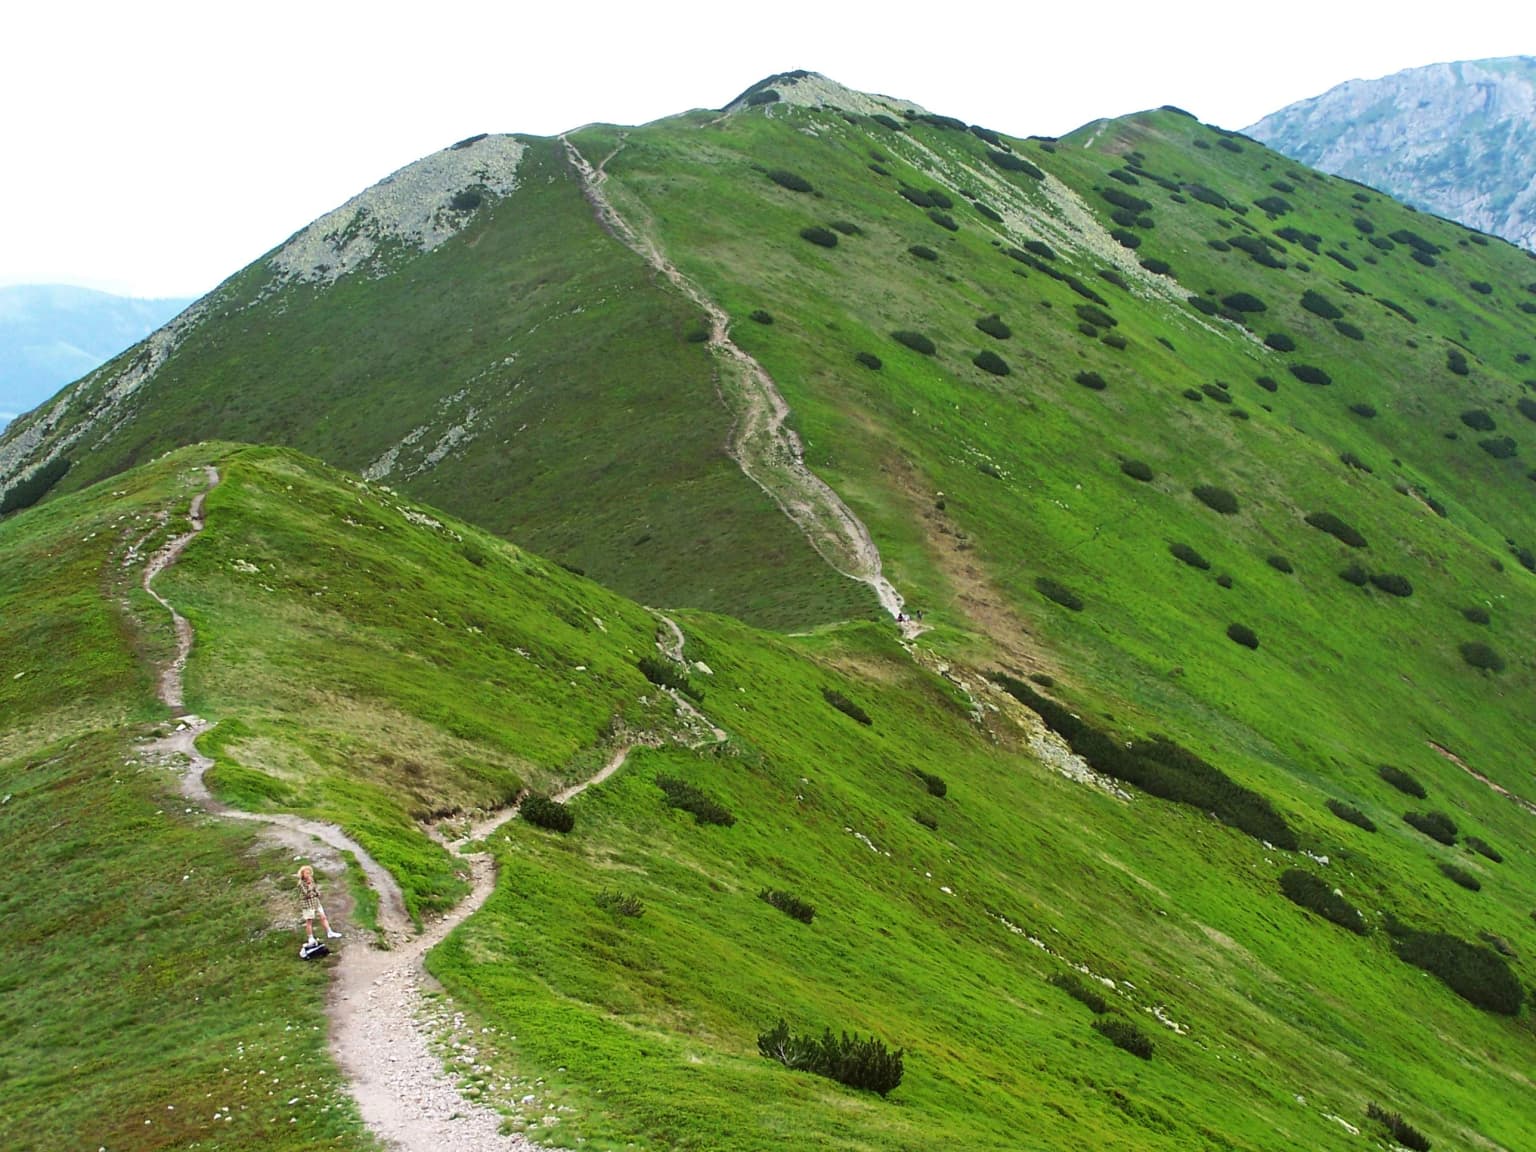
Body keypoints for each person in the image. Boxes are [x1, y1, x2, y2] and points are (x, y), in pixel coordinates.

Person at [297, 865, 342, 944]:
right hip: (307, 904)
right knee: (309, 921)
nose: (308, 875)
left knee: (323, 917)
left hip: (316, 902)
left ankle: (330, 932)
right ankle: (310, 937)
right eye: (307, 873)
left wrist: (316, 892)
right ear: (302, 874)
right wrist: (310, 888)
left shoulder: (311, 880)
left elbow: (315, 889)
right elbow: (307, 894)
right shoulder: (301, 883)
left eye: (309, 873)